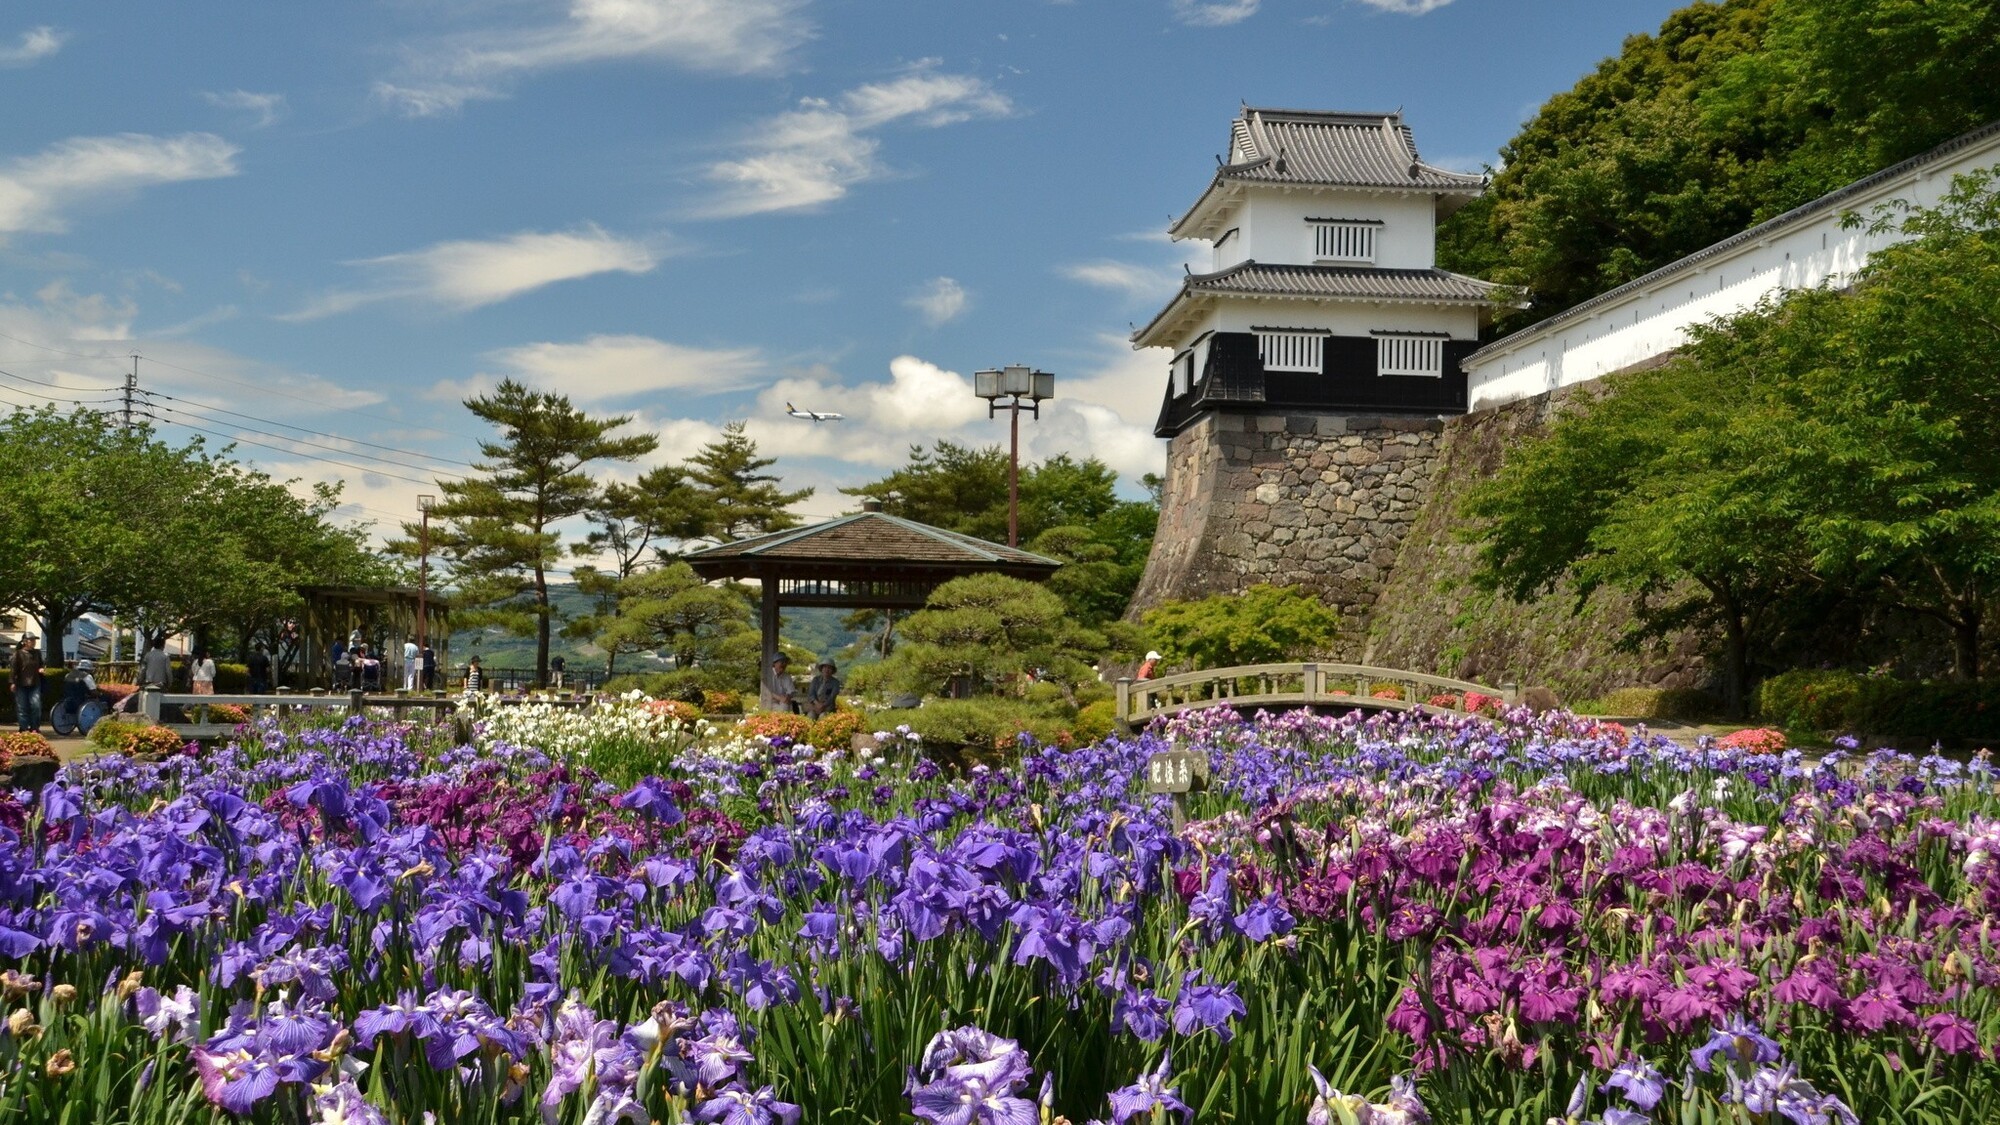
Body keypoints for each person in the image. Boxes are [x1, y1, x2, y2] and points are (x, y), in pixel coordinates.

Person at [10, 636, 42, 733]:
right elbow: (13, 670)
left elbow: (40, 664)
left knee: (36, 705)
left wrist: (40, 669)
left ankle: (34, 727)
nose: (33, 642)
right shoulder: (18, 654)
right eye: (31, 640)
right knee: (22, 707)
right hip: (21, 684)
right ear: (25, 642)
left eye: (34, 640)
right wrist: (12, 683)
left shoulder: (37, 653)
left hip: (35, 682)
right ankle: (23, 728)